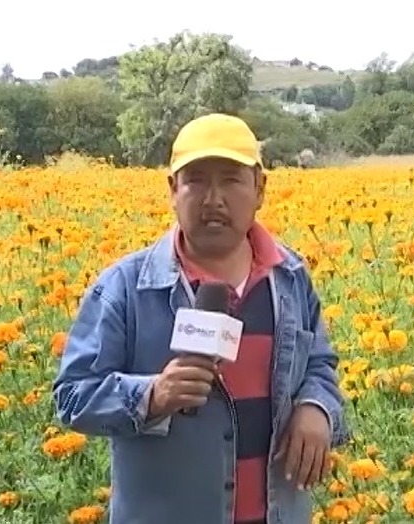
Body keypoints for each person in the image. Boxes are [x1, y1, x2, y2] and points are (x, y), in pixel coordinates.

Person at [52, 113, 349, 524]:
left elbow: (319, 363)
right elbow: (72, 397)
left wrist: (317, 408)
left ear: (259, 189)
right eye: (195, 180)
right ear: (173, 189)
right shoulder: (124, 288)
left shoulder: (291, 278)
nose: (213, 199)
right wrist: (152, 396)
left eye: (230, 179)